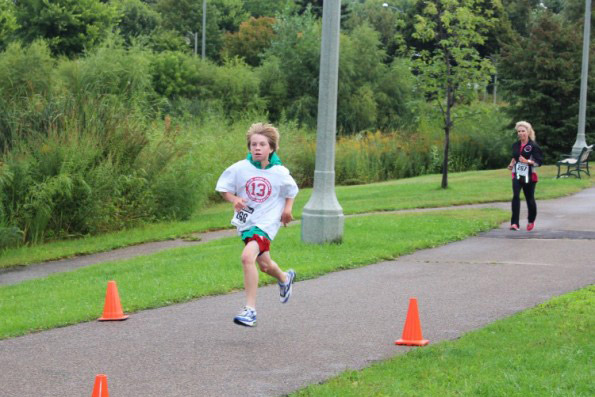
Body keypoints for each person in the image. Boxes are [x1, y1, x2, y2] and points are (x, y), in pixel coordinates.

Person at [215, 122, 299, 327]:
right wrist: (234, 199)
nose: (257, 148)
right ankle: (284, 278)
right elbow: (223, 189)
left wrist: (288, 209)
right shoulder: (239, 168)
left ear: (271, 148)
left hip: (267, 223)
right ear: (249, 147)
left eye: (262, 144)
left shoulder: (279, 172)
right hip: (247, 222)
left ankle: (250, 310)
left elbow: (291, 191)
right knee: (264, 265)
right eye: (253, 144)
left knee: (246, 258)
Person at [507, 121, 543, 231]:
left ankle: (531, 220)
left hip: (530, 176)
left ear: (528, 132)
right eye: (519, 131)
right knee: (516, 196)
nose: (521, 133)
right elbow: (515, 157)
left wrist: (528, 161)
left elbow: (538, 162)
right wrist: (511, 164)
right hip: (517, 174)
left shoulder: (533, 146)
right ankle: (514, 223)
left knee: (530, 199)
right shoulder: (515, 145)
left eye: (523, 131)